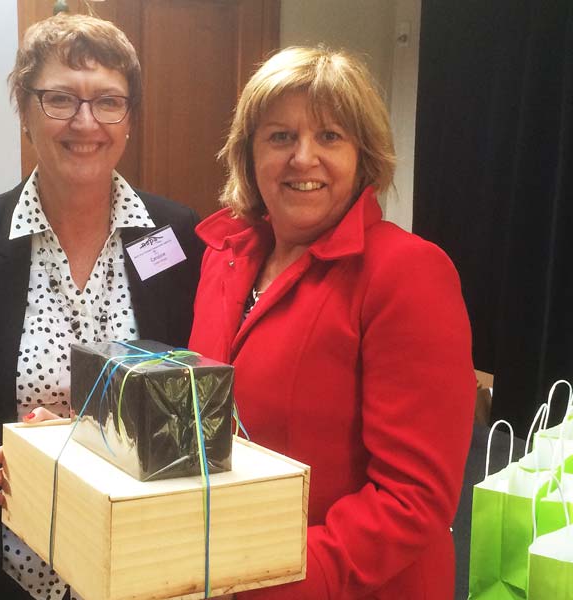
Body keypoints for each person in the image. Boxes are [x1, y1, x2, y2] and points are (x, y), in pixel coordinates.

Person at [0, 14, 202, 600]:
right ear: (26, 112)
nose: (85, 122)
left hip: (140, 571)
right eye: (60, 99)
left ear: (128, 120)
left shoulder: (176, 238)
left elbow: (192, 411)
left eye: (108, 101)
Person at [188, 46, 475, 599]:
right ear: (249, 155)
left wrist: (275, 578)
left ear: (363, 158)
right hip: (223, 568)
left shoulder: (408, 274)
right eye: (279, 137)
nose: (303, 158)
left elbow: (413, 498)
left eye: (329, 137)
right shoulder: (224, 258)